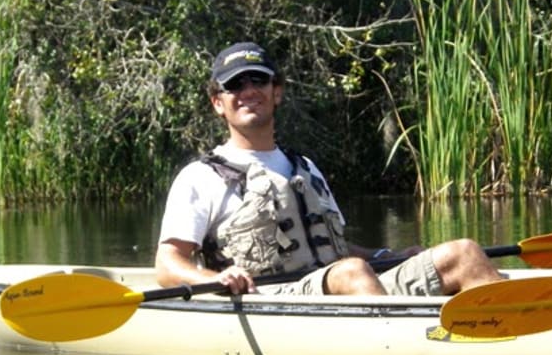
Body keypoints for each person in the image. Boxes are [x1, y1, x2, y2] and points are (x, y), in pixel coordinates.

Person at [154, 41, 502, 296]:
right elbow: (168, 266)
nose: (248, 92)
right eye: (235, 85)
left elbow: (335, 249)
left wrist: (389, 255)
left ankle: (527, 331)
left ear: (276, 93)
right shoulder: (200, 178)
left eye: (258, 81)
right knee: (350, 274)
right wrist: (216, 280)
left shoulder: (304, 168)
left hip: (342, 284)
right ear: (218, 103)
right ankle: (404, 348)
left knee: (465, 253)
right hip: (269, 299)